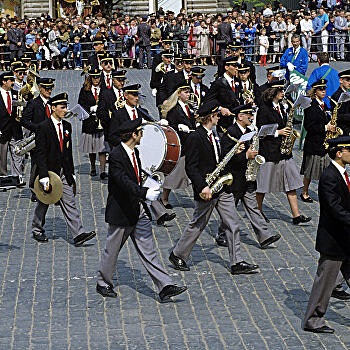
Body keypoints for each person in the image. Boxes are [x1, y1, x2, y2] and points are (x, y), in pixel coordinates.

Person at [96, 118, 187, 301]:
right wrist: (144, 192)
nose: (142, 135)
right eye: (140, 132)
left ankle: (164, 286)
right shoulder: (116, 155)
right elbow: (122, 181)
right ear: (133, 135)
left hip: (139, 210)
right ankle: (103, 283)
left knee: (149, 250)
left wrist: (150, 184)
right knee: (112, 250)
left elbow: (136, 178)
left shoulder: (135, 152)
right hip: (121, 211)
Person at [169, 101, 259, 275]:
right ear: (210, 116)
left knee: (233, 223)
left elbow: (219, 158)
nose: (219, 117)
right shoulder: (196, 137)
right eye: (217, 115)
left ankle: (236, 262)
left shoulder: (215, 134)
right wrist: (203, 186)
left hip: (221, 186)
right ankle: (177, 254)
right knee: (198, 223)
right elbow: (191, 167)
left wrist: (236, 152)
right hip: (207, 188)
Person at [32, 93, 96, 245]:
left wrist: (71, 173)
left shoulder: (67, 126)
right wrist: (43, 177)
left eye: (66, 106)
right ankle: (37, 229)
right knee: (44, 201)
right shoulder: (43, 127)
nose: (66, 110)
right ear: (53, 108)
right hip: (48, 172)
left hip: (63, 172)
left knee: (69, 201)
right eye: (62, 107)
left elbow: (68, 152)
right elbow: (40, 154)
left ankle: (78, 234)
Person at [302, 136, 350, 334]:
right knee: (324, 283)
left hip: (346, 239)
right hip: (334, 241)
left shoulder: (343, 173)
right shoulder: (329, 176)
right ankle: (313, 319)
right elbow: (334, 208)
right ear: (339, 153)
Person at [217, 104, 281, 249]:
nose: (252, 117)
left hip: (247, 178)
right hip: (234, 179)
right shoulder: (231, 133)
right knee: (230, 209)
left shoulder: (248, 131)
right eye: (248, 115)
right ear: (240, 117)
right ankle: (221, 235)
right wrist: (246, 155)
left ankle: (264, 236)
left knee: (253, 208)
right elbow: (226, 158)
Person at [256, 80, 311, 225]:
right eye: (280, 91)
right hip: (270, 152)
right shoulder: (264, 109)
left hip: (284, 152)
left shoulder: (281, 106)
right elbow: (260, 130)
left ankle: (296, 215)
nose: (282, 93)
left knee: (291, 183)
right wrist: (278, 132)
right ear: (273, 93)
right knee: (263, 185)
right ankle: (257, 212)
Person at [160, 81, 195, 209]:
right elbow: (170, 125)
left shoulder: (188, 107)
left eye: (189, 92)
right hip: (180, 144)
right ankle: (164, 198)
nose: (188, 94)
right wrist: (178, 126)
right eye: (186, 92)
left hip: (189, 142)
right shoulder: (174, 109)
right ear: (178, 94)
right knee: (173, 174)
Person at [21, 77, 55, 202]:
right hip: (38, 138)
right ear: (40, 88)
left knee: (52, 162)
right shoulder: (33, 103)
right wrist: (38, 128)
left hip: (51, 139)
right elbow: (24, 120)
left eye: (51, 88)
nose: (49, 90)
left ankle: (51, 188)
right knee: (37, 164)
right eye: (46, 88)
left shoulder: (53, 102)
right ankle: (34, 190)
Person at [300, 79, 333, 202]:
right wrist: (326, 127)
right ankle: (304, 192)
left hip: (323, 143)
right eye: (320, 89)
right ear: (315, 92)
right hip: (314, 143)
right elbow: (309, 126)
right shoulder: (311, 106)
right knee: (309, 171)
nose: (323, 91)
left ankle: (325, 192)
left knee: (324, 171)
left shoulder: (323, 104)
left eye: (324, 89)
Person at [78, 67, 108, 179]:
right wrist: (90, 108)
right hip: (89, 121)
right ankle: (92, 167)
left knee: (102, 147)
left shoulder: (104, 89)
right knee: (91, 147)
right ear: (90, 78)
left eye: (98, 77)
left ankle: (103, 170)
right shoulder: (84, 90)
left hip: (102, 121)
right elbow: (80, 104)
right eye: (94, 77)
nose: (96, 79)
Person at [202, 56, 240, 133]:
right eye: (234, 66)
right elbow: (208, 101)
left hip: (236, 121)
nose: (237, 68)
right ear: (226, 67)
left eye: (237, 66)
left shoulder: (237, 81)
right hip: (224, 122)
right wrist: (220, 108)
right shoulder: (218, 83)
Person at [0, 72, 23, 177]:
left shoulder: (16, 93)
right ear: (4, 82)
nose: (13, 82)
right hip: (2, 130)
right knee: (2, 156)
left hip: (15, 129)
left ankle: (17, 176)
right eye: (11, 80)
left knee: (17, 154)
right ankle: (3, 177)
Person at [97, 69, 126, 148]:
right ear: (113, 81)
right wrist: (111, 123)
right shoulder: (106, 93)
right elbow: (100, 112)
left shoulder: (127, 92)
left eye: (123, 80)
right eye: (119, 81)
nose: (122, 83)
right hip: (113, 131)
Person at [331, 69, 350, 136]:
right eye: (347, 80)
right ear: (341, 81)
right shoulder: (336, 96)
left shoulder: (347, 94)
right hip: (343, 130)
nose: (349, 83)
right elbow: (338, 117)